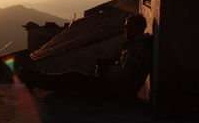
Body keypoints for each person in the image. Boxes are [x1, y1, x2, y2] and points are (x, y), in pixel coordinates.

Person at [23, 14, 152, 98]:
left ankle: (35, 79)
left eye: (130, 27)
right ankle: (36, 79)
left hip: (118, 91)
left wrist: (107, 70)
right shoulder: (135, 45)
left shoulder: (138, 49)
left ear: (138, 29)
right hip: (115, 86)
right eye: (126, 27)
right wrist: (109, 66)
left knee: (74, 78)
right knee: (74, 77)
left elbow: (125, 78)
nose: (126, 30)